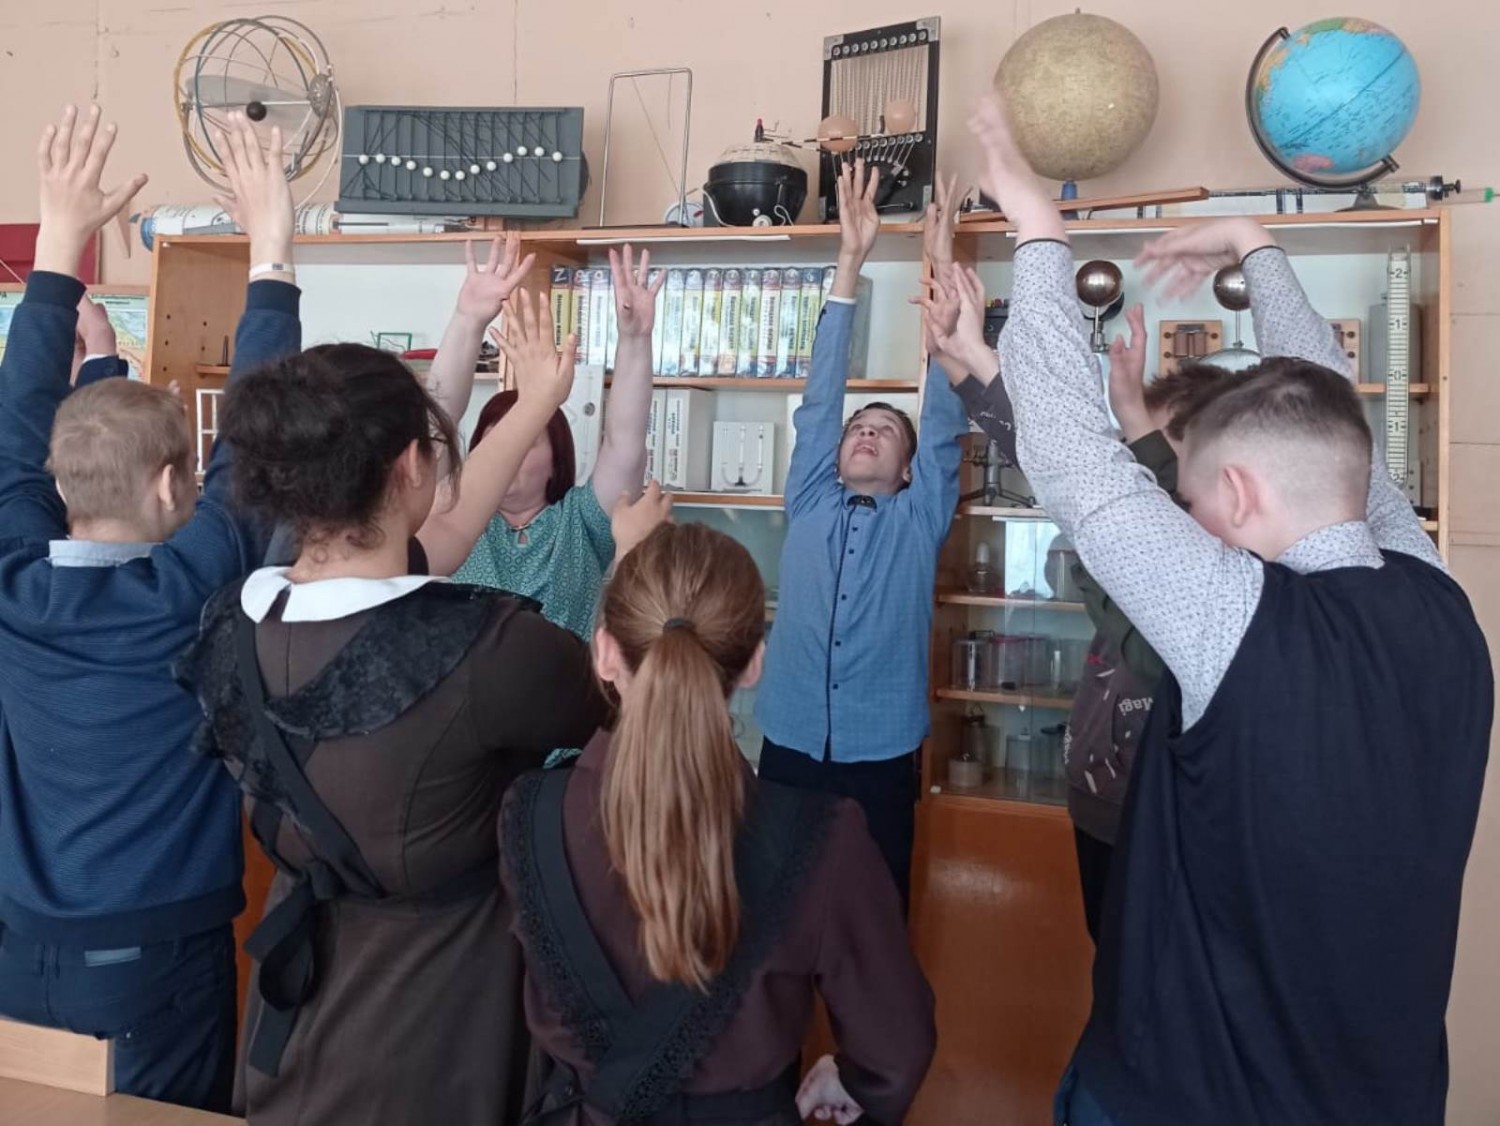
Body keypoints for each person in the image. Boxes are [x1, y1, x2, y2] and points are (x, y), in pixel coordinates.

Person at [968, 92, 1493, 1126]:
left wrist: (1039, 228)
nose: (1189, 520)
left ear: (1243, 495)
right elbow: (1335, 415)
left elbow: (1070, 452)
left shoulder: (1238, 622)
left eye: (1196, 497)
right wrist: (1255, 243)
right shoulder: (1441, 602)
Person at [176, 259, 618, 1126]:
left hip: (291, 1021)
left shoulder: (231, 627)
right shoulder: (488, 649)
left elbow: (441, 534)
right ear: (413, 465)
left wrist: (533, 404)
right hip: (434, 1031)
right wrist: (542, 405)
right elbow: (600, 705)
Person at [0, 107, 299, 1113]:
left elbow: (12, 438)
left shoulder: (12, 583)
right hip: (155, 969)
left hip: (21, 954)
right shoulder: (188, 592)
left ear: (60, 484)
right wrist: (272, 244)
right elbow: (259, 435)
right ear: (174, 486)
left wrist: (57, 248)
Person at [500, 520, 936, 1126]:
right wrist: (856, 1080)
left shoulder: (530, 814)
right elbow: (897, 1046)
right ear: (755, 662)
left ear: (604, 653)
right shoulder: (824, 836)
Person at [921, 269, 1235, 941]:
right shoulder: (1151, 516)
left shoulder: (1211, 566)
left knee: (1144, 978)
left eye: (1153, 447)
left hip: (1162, 818)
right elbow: (1053, 460)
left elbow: (1076, 476)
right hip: (1100, 803)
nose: (1132, 471)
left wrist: (975, 358)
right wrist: (959, 364)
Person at [753, 162, 968, 909]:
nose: (865, 433)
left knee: (872, 918)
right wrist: (851, 258)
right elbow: (821, 397)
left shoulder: (919, 516)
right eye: (858, 428)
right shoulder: (811, 497)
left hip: (880, 753)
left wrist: (940, 258)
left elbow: (943, 414)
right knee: (774, 913)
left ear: (909, 469)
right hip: (788, 740)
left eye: (885, 431)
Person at [450, 245, 661, 639]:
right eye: (492, 442)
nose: (505, 454)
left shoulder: (580, 521)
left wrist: (635, 339)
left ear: (556, 458)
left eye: (524, 442)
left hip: (565, 680)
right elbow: (437, 420)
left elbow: (625, 444)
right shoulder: (455, 518)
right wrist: (468, 319)